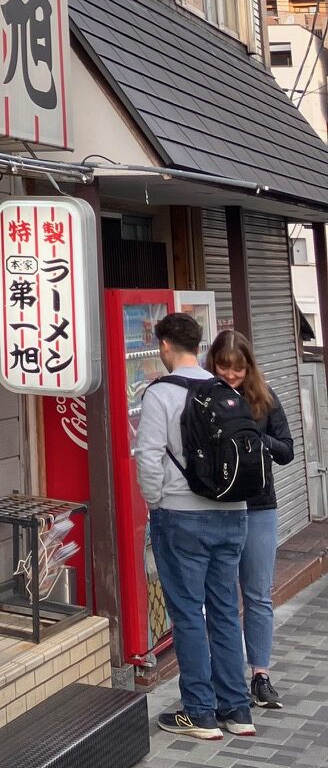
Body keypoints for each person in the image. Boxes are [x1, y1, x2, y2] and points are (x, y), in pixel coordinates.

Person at [135, 311, 252, 740]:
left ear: (165, 345)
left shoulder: (160, 393)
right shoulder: (224, 389)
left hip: (181, 516)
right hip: (232, 514)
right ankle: (237, 710)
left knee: (187, 613)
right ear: (199, 346)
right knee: (225, 611)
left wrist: (157, 502)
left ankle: (200, 713)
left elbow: (149, 458)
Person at [207, 328, 294, 711]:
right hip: (218, 508)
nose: (230, 375)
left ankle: (261, 675)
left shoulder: (264, 398)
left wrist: (258, 441)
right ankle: (228, 678)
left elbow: (288, 450)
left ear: (249, 368)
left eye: (238, 369)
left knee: (257, 594)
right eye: (223, 367)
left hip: (260, 506)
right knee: (223, 596)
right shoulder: (205, 398)